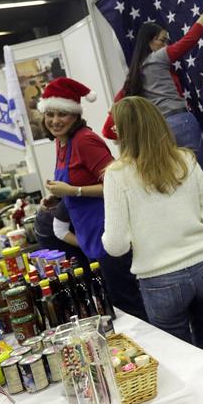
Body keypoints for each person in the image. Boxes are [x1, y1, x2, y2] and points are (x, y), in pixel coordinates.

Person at [102, 96, 203, 357]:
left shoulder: (116, 174)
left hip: (160, 278)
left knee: (179, 357)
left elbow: (115, 246)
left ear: (122, 131)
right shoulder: (185, 159)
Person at [38, 76, 147, 320]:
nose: (55, 121)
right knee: (117, 306)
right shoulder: (61, 142)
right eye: (50, 114)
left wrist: (73, 191)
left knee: (130, 308)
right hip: (91, 239)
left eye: (62, 114)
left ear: (75, 115)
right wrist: (57, 198)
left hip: (110, 235)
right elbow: (77, 183)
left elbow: (121, 182)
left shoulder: (85, 140)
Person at [101, 0, 203, 176]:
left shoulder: (135, 75)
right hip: (180, 121)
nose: (166, 45)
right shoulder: (158, 58)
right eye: (162, 40)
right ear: (150, 43)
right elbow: (189, 40)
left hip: (157, 130)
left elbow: (110, 121)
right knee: (198, 175)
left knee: (177, 178)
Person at [33, 199, 90, 273]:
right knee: (75, 270)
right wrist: (89, 245)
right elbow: (60, 231)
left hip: (66, 219)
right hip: (52, 230)